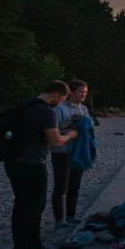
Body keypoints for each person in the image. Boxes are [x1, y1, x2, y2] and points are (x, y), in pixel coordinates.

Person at [7, 81, 77, 249]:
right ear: (55, 94)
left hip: (12, 162)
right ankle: (34, 248)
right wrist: (70, 135)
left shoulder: (24, 104)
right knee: (35, 206)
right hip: (32, 163)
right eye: (62, 98)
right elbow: (55, 141)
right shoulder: (45, 111)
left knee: (20, 203)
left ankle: (19, 246)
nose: (61, 102)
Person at [50, 79, 90, 227]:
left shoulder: (84, 109)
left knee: (75, 185)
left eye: (85, 92)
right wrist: (72, 123)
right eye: (81, 91)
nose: (83, 94)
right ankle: (59, 219)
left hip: (78, 151)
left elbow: (89, 126)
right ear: (71, 92)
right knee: (61, 186)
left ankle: (71, 215)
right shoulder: (59, 108)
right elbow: (53, 127)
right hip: (61, 150)